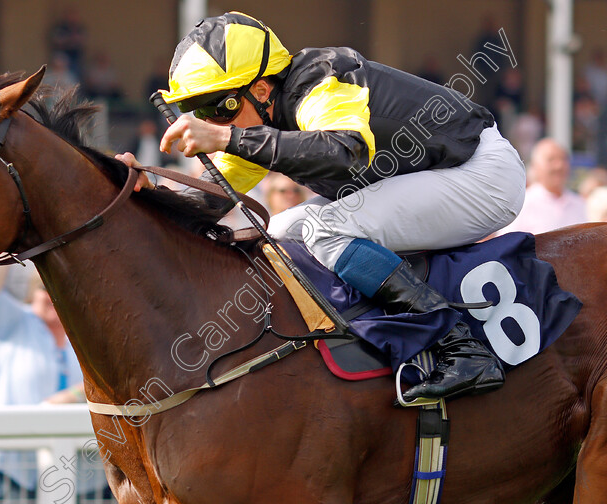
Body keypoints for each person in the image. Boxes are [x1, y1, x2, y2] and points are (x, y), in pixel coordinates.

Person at [118, 12, 526, 402]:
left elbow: (342, 150)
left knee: (322, 228)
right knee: (279, 233)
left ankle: (460, 346)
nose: (212, 121)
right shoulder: (255, 118)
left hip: (481, 174)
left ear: (261, 90)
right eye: (201, 112)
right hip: (432, 174)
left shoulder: (322, 80)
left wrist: (225, 140)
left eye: (217, 108)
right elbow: (207, 199)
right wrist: (141, 191)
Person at [0, 264, 83, 503]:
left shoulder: (84, 331)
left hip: (78, 465)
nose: (52, 295)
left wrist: (72, 395)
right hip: (13, 465)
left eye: (60, 288)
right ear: (33, 291)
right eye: (45, 287)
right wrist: (1, 246)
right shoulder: (14, 322)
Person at [497, 138, 586, 234]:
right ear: (535, 166)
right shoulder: (521, 205)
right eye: (551, 160)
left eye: (563, 159)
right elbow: (509, 244)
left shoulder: (580, 204)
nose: (559, 166)